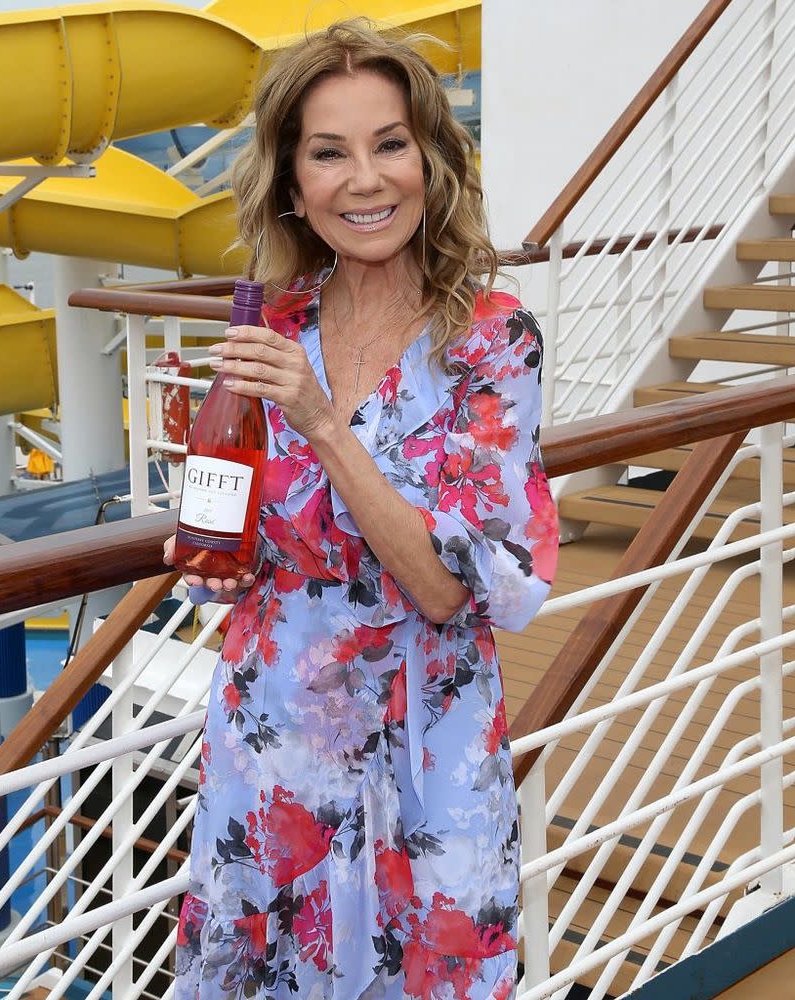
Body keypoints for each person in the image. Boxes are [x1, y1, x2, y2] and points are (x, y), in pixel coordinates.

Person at [165, 20, 558, 999]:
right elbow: (247, 509)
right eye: (328, 153)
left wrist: (319, 420)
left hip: (422, 739)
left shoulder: (489, 341)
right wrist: (213, 543)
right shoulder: (276, 321)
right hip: (272, 726)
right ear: (293, 184)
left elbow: (437, 586)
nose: (365, 178)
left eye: (388, 143)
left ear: (430, 160)